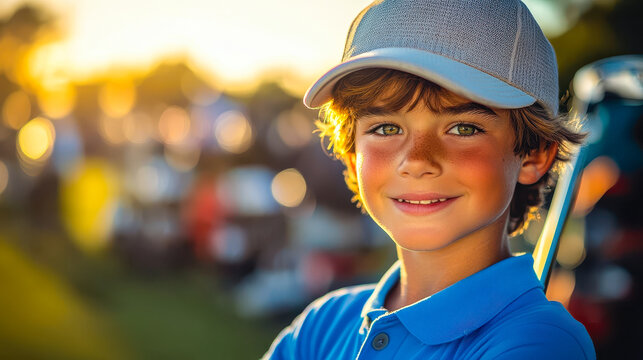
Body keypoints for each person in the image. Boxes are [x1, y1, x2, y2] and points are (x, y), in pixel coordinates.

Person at [264, 0, 596, 358]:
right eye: (386, 127)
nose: (417, 161)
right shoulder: (323, 325)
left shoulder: (538, 343)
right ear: (352, 152)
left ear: (534, 154)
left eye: (463, 128)